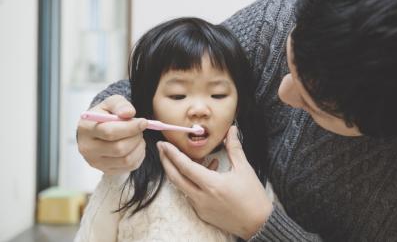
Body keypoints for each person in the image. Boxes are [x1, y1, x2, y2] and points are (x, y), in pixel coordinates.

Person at [77, 0, 397, 241]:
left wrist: (261, 225)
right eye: (290, 56)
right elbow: (172, 72)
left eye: (314, 104)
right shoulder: (279, 18)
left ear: (384, 128)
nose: (281, 91)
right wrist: (106, 116)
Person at [75, 17, 273, 241]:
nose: (199, 109)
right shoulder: (124, 178)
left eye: (218, 94)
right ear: (150, 109)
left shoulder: (251, 181)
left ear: (238, 107)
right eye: (178, 95)